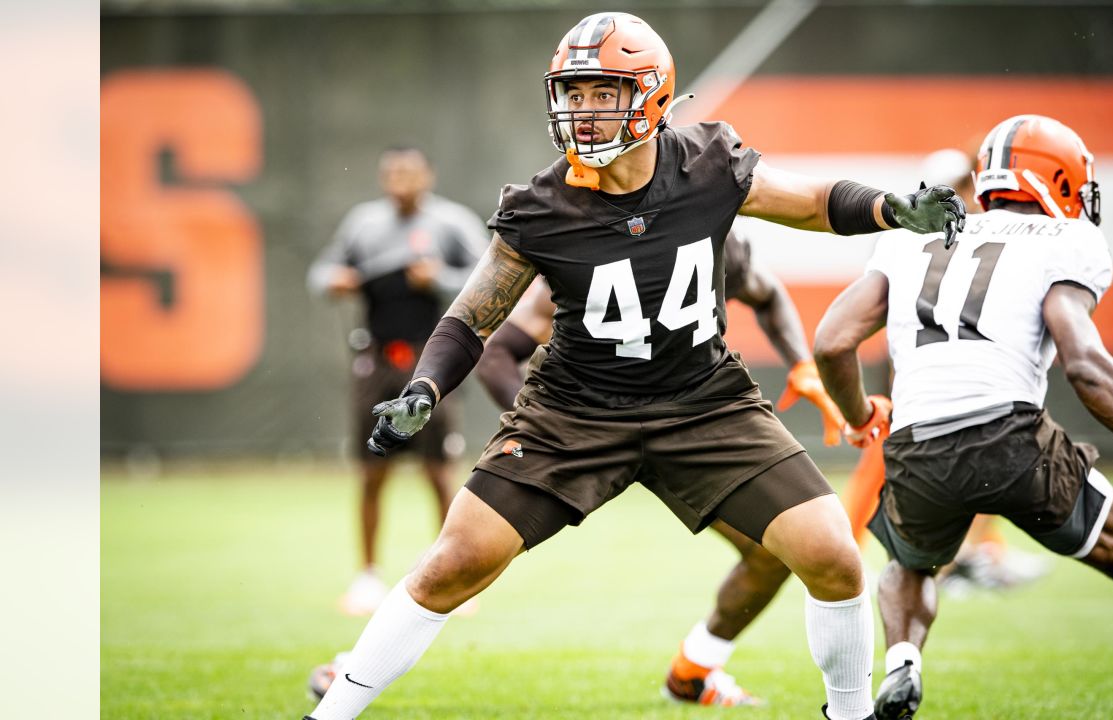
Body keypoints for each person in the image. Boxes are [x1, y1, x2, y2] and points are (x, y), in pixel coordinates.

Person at [305, 13, 963, 720]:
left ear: (650, 94)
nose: (583, 112)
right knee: (453, 564)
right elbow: (474, 316)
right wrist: (427, 388)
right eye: (573, 94)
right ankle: (331, 714)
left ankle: (850, 713)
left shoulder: (709, 162)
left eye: (602, 93)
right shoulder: (540, 203)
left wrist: (889, 209)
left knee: (833, 553)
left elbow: (809, 202)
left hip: (703, 402)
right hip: (574, 411)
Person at [812, 115, 1113, 719]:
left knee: (907, 564)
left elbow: (831, 340)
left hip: (916, 441)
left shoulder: (910, 238)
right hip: (1011, 436)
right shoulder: (1067, 240)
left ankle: (904, 657)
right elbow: (1085, 366)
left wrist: (861, 418)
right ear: (1058, 179)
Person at [471, 224, 848, 707]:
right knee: (472, 555)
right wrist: (542, 439)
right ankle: (357, 665)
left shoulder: (718, 239)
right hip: (591, 428)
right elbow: (499, 350)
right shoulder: (600, 251)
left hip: (681, 428)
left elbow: (767, 291)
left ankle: (694, 670)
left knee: (775, 549)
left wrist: (802, 364)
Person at [843, 148, 1049, 596]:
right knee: (878, 466)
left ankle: (981, 553)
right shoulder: (906, 238)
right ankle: (846, 553)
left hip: (959, 372)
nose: (967, 197)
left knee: (986, 458)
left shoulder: (978, 236)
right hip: (915, 371)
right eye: (956, 187)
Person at [307, 145, 488, 616]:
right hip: (376, 358)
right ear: (382, 177)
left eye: (410, 172)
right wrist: (337, 280)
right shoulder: (364, 224)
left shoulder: (450, 223)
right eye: (392, 172)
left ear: (427, 175)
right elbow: (320, 274)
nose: (401, 180)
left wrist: (439, 278)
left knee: (438, 471)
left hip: (433, 360)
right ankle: (367, 576)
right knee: (372, 470)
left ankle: (450, 571)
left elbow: (490, 276)